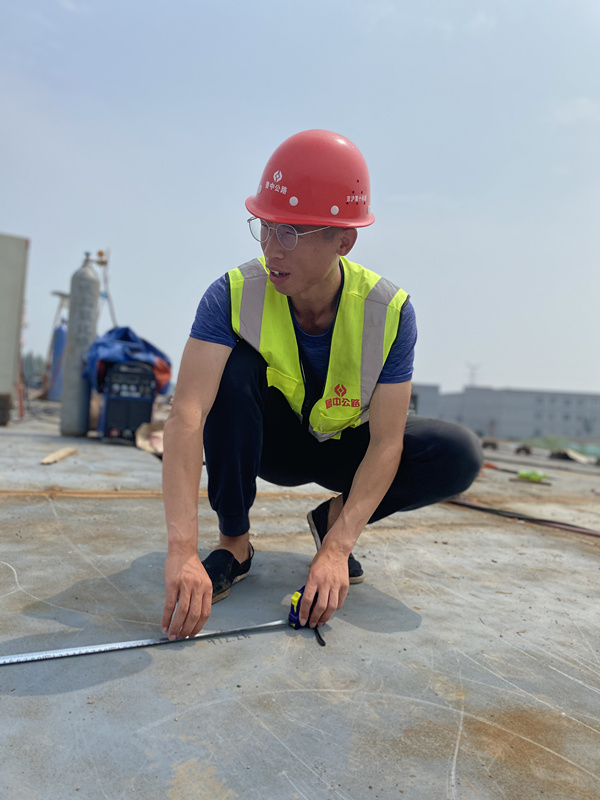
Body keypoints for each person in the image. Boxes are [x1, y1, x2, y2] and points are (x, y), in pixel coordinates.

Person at [161, 129, 482, 641]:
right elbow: (187, 415)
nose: (272, 248)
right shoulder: (232, 295)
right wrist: (181, 550)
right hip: (273, 446)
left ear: (343, 241)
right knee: (232, 370)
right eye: (265, 227)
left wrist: (338, 547)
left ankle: (331, 520)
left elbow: (387, 442)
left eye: (290, 233)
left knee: (457, 452)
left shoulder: (388, 311)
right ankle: (234, 542)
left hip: (347, 449)